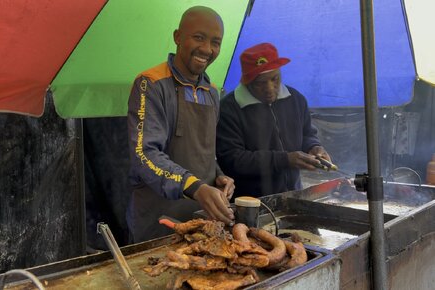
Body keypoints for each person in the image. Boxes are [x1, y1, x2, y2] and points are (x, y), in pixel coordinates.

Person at [126, 6, 235, 243]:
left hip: (203, 217)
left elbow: (205, 152)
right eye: (198, 37)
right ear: (177, 36)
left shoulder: (213, 92)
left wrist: (218, 176)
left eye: (215, 42)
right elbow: (144, 154)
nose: (207, 49)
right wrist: (195, 187)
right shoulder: (151, 83)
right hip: (159, 215)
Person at [216, 42, 332, 198]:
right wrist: (284, 160)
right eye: (260, 83)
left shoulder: (296, 100)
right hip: (250, 201)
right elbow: (233, 159)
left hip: (294, 195)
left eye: (275, 79)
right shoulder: (229, 108)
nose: (270, 89)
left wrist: (314, 146)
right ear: (247, 81)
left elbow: (306, 134)